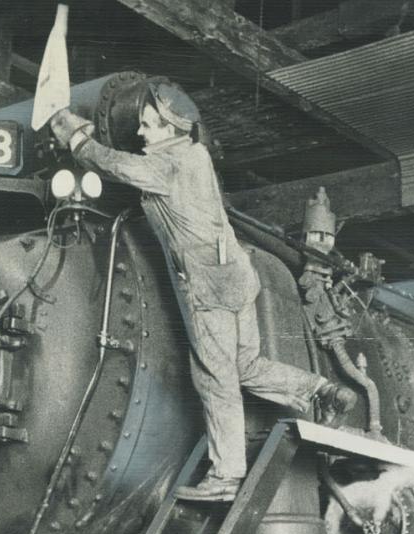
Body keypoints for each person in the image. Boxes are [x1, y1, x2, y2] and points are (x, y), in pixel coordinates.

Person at [49, 81, 356, 502]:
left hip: (207, 289)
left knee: (215, 378)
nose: (140, 133)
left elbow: (114, 165)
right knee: (246, 366)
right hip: (239, 279)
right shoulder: (197, 155)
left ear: (171, 127)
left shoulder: (164, 167)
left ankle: (227, 477)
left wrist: (78, 137)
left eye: (148, 125)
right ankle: (321, 391)